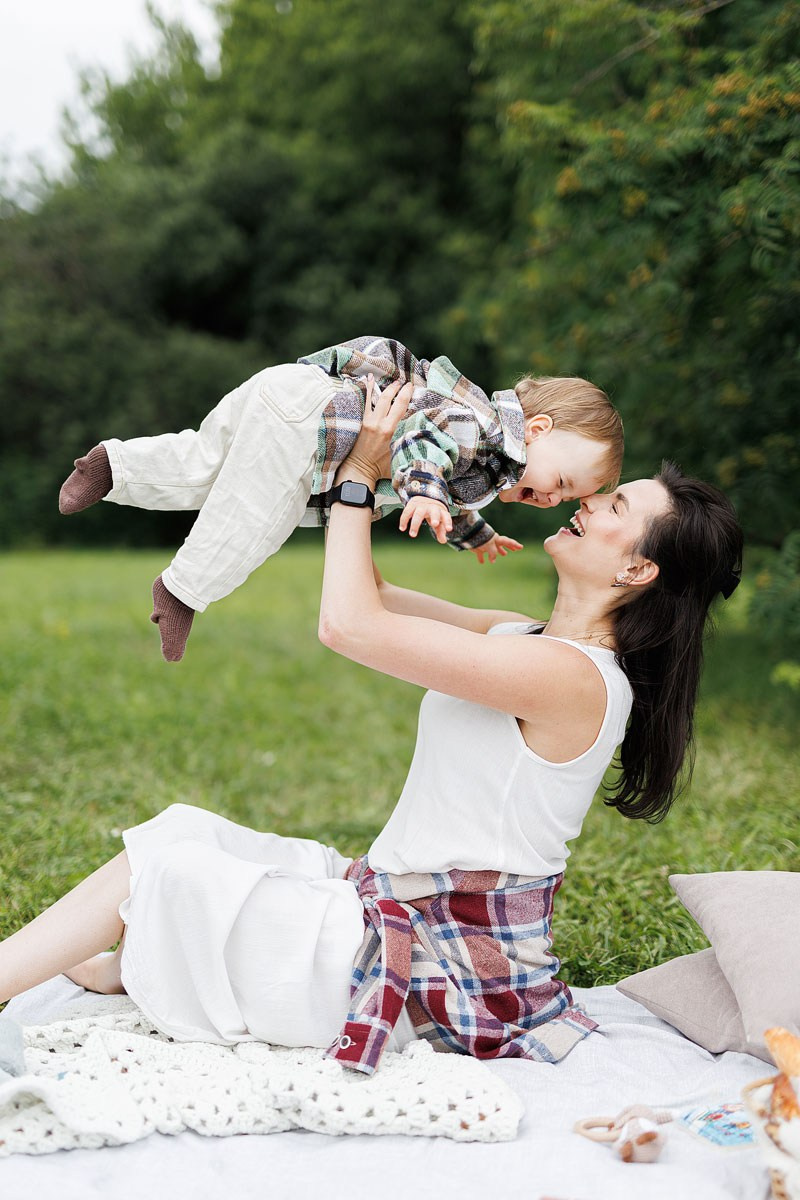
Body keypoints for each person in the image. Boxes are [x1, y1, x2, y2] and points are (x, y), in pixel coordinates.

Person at [1, 380, 742, 1077]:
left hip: (438, 965)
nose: (589, 504)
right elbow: (377, 591)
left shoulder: (571, 679)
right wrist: (383, 461)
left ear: (638, 571)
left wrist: (359, 475)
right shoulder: (522, 637)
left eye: (615, 507)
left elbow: (349, 624)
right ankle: (125, 969)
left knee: (157, 870)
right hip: (390, 902)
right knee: (186, 831)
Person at [58, 335, 623, 661]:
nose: (554, 500)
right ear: (540, 429)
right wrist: (422, 492)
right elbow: (423, 441)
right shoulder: (479, 426)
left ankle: (114, 464)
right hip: (310, 428)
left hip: (293, 395)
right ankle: (182, 591)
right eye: (565, 483)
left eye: (566, 497)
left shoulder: (488, 451)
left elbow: (450, 486)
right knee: (259, 514)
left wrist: (474, 531)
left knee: (207, 464)